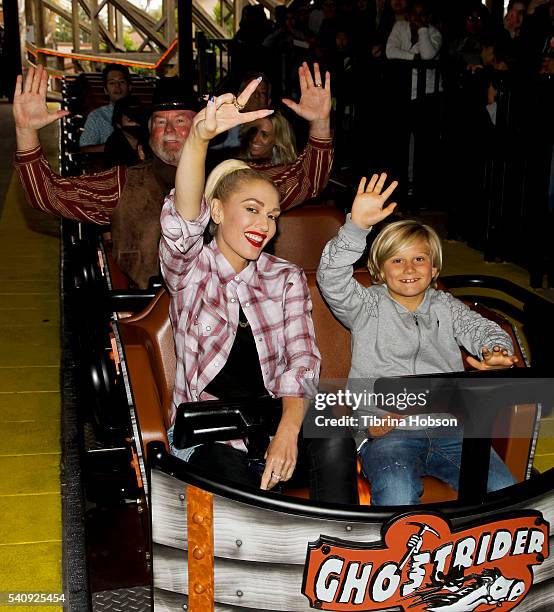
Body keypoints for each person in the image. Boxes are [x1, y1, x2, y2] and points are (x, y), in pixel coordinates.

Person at [160, 78, 358, 503]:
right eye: (251, 210)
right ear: (216, 210)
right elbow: (180, 224)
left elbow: (303, 358)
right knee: (229, 480)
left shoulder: (283, 277)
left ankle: (341, 554)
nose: (264, 225)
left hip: (274, 419)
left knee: (333, 435)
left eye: (271, 215)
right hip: (211, 432)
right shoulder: (191, 271)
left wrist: (288, 429)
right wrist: (198, 137)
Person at [13, 64, 333, 288]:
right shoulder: (122, 183)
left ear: (201, 125)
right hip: (148, 314)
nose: (170, 131)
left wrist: (319, 125)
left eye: (181, 121)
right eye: (160, 122)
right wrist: (26, 132)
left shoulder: (235, 179)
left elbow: (308, 180)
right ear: (149, 134)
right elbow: (47, 194)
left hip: (236, 311)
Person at [317, 173, 517, 505]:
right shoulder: (366, 306)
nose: (409, 268)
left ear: (434, 268)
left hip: (449, 429)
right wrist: (356, 228)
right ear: (380, 269)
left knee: (505, 492)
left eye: (419, 259)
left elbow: (483, 330)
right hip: (387, 432)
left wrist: (496, 350)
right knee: (398, 492)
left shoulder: (447, 306)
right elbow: (331, 277)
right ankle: (398, 557)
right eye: (397, 260)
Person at [79, 63, 132, 152]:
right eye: (112, 83)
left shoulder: (142, 113)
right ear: (105, 90)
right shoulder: (96, 116)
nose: (117, 87)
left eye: (121, 82)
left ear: (130, 87)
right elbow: (85, 149)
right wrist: (115, 146)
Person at [103, 96, 150, 168]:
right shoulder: (113, 145)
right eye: (130, 120)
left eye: (138, 118)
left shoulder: (149, 139)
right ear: (118, 124)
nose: (136, 123)